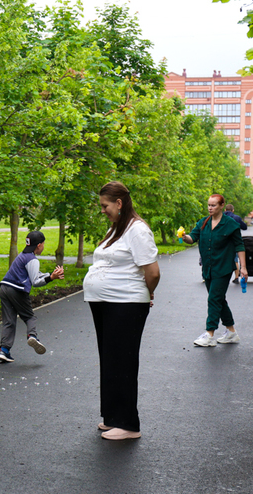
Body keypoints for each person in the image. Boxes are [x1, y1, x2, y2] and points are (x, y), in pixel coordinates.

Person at [83, 181, 160, 441]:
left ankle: (128, 424)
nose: (102, 210)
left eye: (105, 205)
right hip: (106, 303)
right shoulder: (118, 228)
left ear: (119, 203)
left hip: (126, 304)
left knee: (123, 361)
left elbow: (153, 271)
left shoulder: (137, 230)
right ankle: (112, 416)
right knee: (110, 359)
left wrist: (148, 293)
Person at [181, 194, 247, 347]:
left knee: (213, 299)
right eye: (209, 205)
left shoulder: (230, 224)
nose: (210, 208)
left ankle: (209, 334)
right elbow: (192, 238)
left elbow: (240, 246)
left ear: (222, 205)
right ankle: (231, 332)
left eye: (214, 205)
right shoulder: (203, 223)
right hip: (208, 268)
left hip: (223, 268)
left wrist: (243, 267)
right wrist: (185, 237)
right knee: (218, 299)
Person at [0, 230, 64, 363]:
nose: (43, 246)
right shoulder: (32, 259)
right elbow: (35, 282)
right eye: (43, 243)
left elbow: (36, 274)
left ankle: (4, 350)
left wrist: (51, 274)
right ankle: (32, 336)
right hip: (17, 291)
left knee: (9, 321)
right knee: (30, 317)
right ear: (39, 245)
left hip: (4, 288)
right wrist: (51, 278)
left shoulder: (22, 255)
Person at [224, 204, 247, 284]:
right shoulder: (236, 218)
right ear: (233, 210)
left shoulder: (220, 217)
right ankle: (236, 276)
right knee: (235, 259)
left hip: (223, 241)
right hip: (234, 241)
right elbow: (244, 227)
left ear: (225, 210)